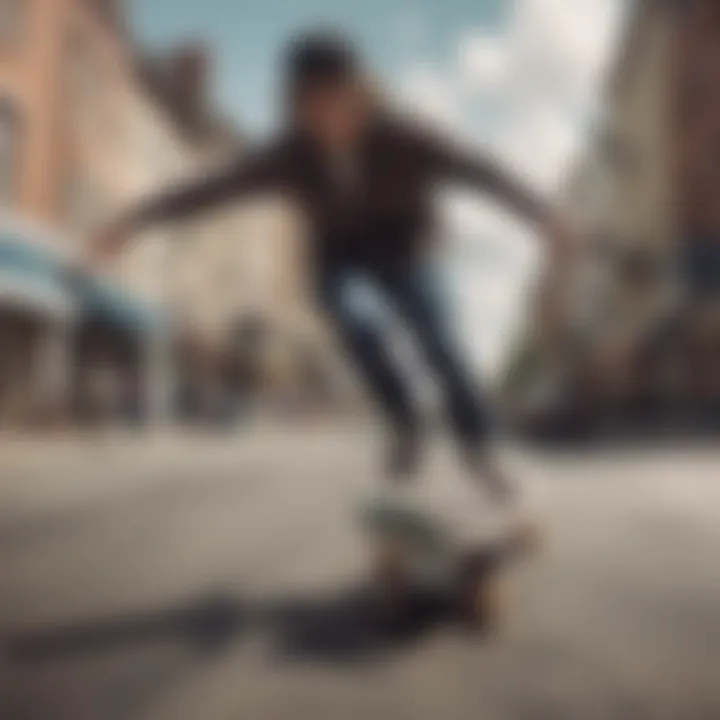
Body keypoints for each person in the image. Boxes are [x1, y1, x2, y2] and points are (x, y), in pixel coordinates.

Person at [92, 32, 574, 503]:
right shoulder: (290, 155)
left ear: (358, 91)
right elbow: (213, 188)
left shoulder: (404, 135)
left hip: (409, 252)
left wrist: (544, 216)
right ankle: (405, 423)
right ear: (297, 104)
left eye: (336, 100)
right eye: (313, 105)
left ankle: (480, 449)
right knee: (355, 317)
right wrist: (135, 220)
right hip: (340, 259)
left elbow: (480, 170)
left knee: (439, 340)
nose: (328, 117)